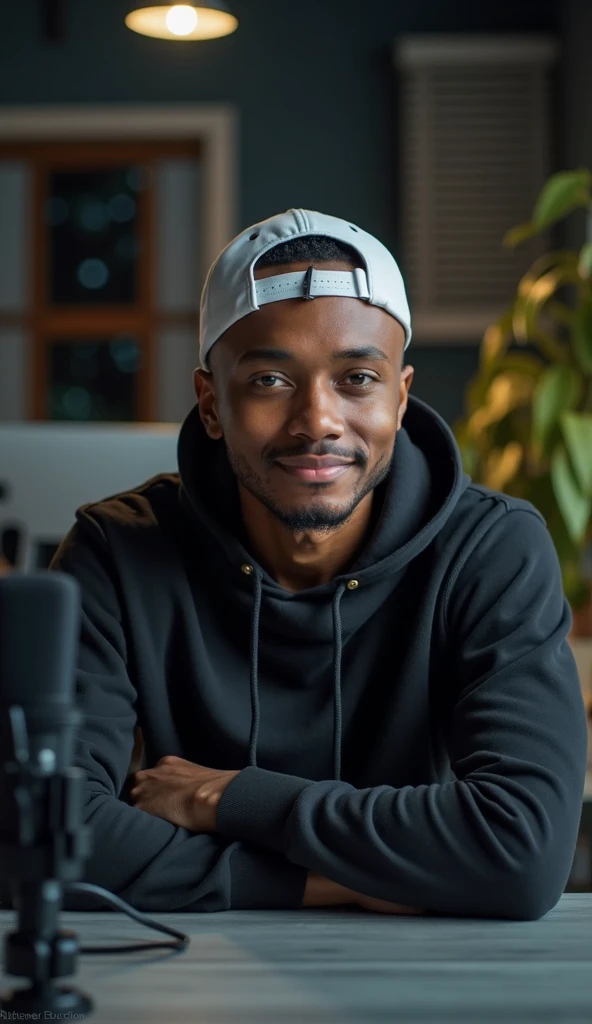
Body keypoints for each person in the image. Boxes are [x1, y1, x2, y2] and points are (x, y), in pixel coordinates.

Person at [11, 209, 590, 919]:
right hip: (193, 980)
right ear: (211, 403)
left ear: (401, 398)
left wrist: (231, 798)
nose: (318, 420)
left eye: (357, 378)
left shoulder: (492, 549)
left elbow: (522, 855)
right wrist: (337, 883)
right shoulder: (116, 551)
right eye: (269, 382)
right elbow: (37, 838)